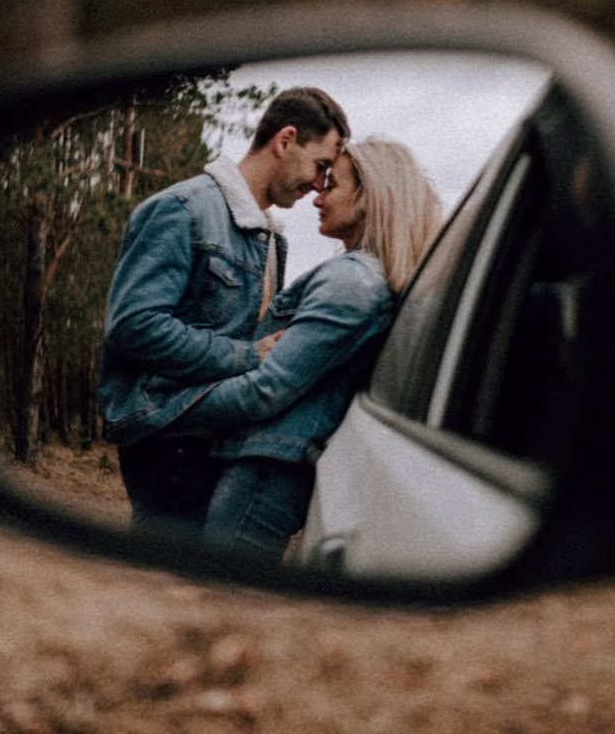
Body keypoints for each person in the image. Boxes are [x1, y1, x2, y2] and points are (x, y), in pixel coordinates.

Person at [169, 138, 444, 560]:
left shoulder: (351, 283)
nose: (317, 194)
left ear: (368, 198)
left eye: (331, 184)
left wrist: (167, 411)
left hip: (263, 469)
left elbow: (267, 389)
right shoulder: (368, 278)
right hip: (270, 463)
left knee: (221, 606)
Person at [98, 86, 350, 533]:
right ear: (285, 140)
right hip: (171, 444)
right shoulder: (183, 210)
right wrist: (247, 356)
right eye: (320, 166)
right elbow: (134, 327)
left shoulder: (272, 238)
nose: (317, 184)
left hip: (215, 442)